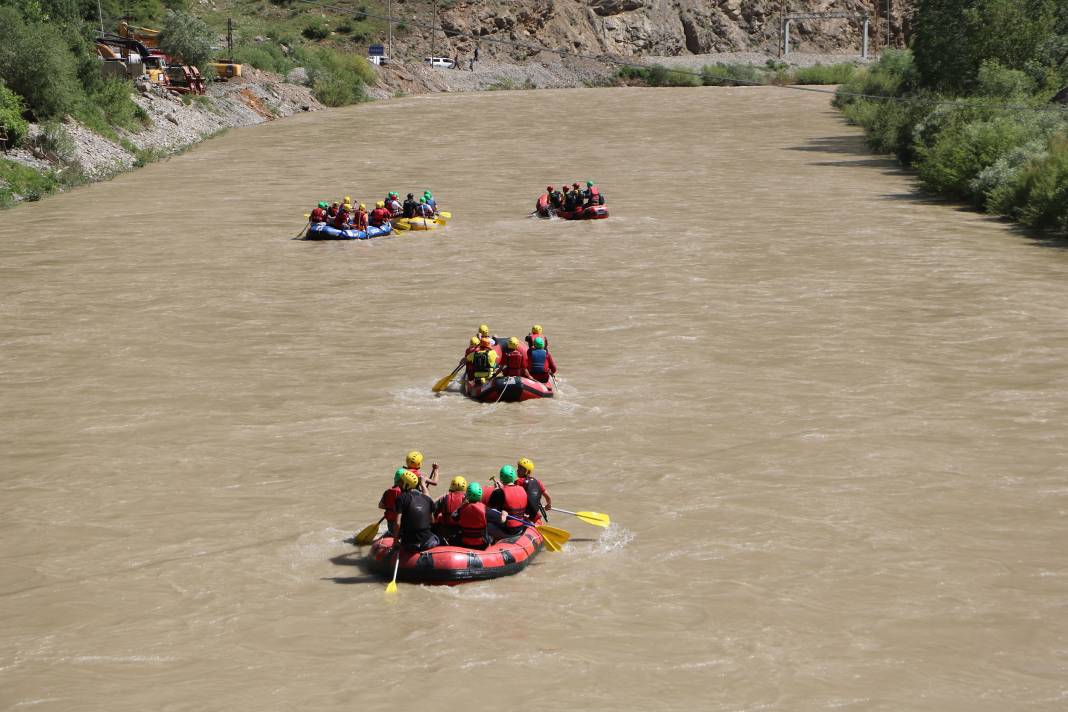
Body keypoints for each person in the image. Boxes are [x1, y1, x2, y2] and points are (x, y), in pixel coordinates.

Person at [394, 470, 441, 551]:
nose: (399, 484)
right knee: (437, 537)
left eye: (401, 482)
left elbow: (398, 523)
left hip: (409, 543)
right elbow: (432, 521)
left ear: (406, 484)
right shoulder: (427, 499)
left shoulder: (401, 498)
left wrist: (395, 540)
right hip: (428, 542)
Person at [452, 482, 507, 549]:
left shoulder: (462, 509)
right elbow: (501, 520)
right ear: (480, 495)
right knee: (490, 531)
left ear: (467, 495)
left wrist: (462, 504)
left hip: (465, 543)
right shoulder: (485, 510)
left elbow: (454, 516)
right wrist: (504, 515)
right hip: (482, 544)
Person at [487, 465, 529, 536]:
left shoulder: (499, 492)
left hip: (508, 530)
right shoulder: (522, 489)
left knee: (485, 518)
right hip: (520, 527)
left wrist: (496, 490)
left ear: (501, 478)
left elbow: (489, 506)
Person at [516, 457, 552, 522]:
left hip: (524, 515)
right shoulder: (537, 482)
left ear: (527, 472)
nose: (517, 470)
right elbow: (547, 497)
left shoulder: (518, 481)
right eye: (518, 468)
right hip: (535, 515)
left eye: (521, 469)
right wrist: (548, 505)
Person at [434, 475, 468, 542]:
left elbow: (433, 511)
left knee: (439, 517)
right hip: (461, 532)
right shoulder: (467, 499)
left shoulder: (444, 498)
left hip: (445, 531)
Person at [378, 468, 405, 535]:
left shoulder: (387, 491)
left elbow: (380, 505)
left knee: (392, 531)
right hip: (402, 521)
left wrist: (390, 508)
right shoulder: (405, 492)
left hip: (390, 521)